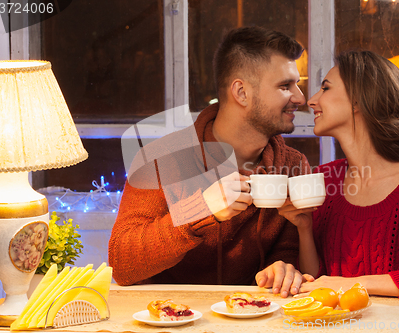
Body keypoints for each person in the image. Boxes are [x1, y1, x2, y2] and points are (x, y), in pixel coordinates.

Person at [256, 50, 399, 304]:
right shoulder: (324, 178)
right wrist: (305, 228)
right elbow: (316, 282)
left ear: (358, 101)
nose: (311, 101)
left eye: (325, 88)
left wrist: (356, 284)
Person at [108, 26, 312, 290]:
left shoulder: (293, 165)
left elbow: (286, 254)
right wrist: (201, 209)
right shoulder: (159, 160)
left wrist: (283, 269)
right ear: (241, 93)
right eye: (285, 86)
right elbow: (122, 264)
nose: (300, 97)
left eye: (297, 84)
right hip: (168, 320)